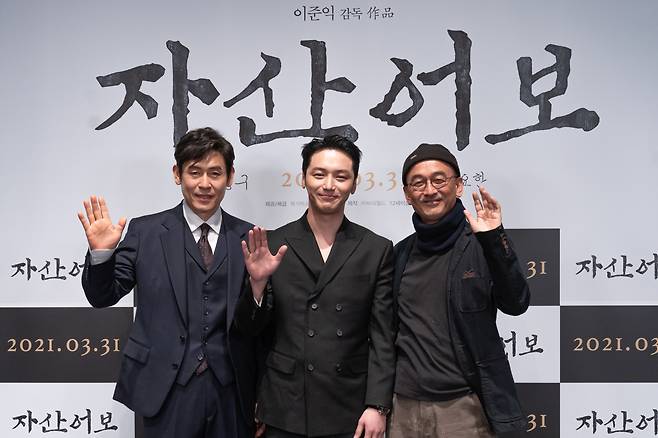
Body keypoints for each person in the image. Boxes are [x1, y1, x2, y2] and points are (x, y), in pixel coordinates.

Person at [78, 127, 260, 438]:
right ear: (177, 174)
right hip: (165, 389)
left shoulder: (249, 237)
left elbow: (261, 327)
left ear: (230, 177)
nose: (204, 184)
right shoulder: (145, 232)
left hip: (231, 392)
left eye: (215, 173)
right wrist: (101, 254)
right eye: (195, 172)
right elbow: (103, 296)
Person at [236, 135, 395, 438]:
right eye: (319, 174)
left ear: (355, 183)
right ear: (304, 178)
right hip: (285, 405)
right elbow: (250, 332)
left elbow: (383, 337)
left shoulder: (376, 249)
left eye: (341, 176)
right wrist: (256, 285)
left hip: (348, 405)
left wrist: (378, 405)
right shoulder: (273, 244)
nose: (328, 185)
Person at [389, 143, 531, 437]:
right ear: (407, 194)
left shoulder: (482, 244)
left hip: (463, 407)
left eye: (439, 180)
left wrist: (494, 240)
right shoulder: (400, 253)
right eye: (418, 183)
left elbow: (516, 303)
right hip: (402, 407)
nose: (430, 190)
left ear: (459, 186)